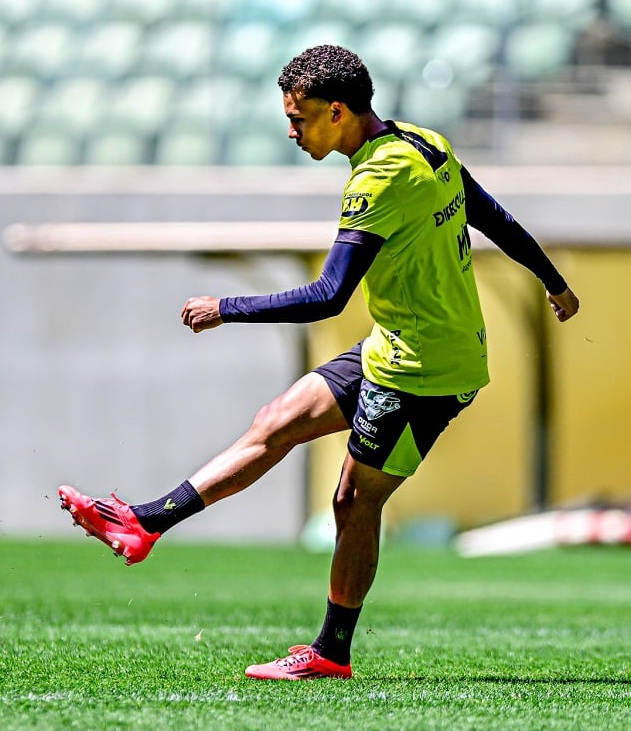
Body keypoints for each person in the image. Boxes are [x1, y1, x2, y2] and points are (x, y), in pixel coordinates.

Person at [58, 45, 580, 680]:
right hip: (396, 343)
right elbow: (489, 213)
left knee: (353, 501)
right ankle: (145, 524)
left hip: (426, 372)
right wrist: (553, 281)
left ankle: (331, 653)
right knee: (277, 420)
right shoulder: (425, 142)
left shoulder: (377, 180)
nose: (291, 131)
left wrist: (227, 307)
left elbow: (328, 296)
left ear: (337, 113)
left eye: (299, 118)